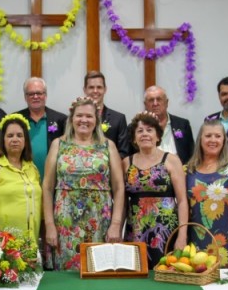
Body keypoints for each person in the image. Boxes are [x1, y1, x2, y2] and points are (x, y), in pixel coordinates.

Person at [43, 97, 125, 271]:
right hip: (65, 223)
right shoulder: (59, 144)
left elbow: (118, 188)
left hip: (99, 222)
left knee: (98, 271)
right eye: (79, 115)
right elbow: (48, 188)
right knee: (67, 276)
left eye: (89, 116)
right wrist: (50, 225)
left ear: (96, 120)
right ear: (71, 118)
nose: (84, 120)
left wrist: (116, 224)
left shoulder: (107, 146)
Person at [123, 111, 188, 268]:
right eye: (140, 131)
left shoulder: (171, 160)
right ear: (134, 138)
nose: (145, 134)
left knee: (165, 271)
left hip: (165, 230)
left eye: (149, 130)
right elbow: (123, 202)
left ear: (158, 136)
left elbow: (182, 201)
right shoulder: (126, 162)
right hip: (136, 230)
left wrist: (182, 235)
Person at [186, 119, 228, 264]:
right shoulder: (188, 170)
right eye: (208, 136)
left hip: (227, 244)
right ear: (200, 139)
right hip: (195, 244)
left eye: (217, 136)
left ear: (224, 140)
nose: (213, 140)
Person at [0, 113, 42, 243]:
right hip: (4, 245)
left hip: (31, 242)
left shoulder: (32, 168)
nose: (15, 139)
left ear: (25, 140)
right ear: (3, 140)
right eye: (10, 136)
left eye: (19, 135)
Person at [15, 77, 67, 180]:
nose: (35, 97)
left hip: (53, 179)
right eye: (31, 94)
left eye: (39, 93)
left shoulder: (61, 120)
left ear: (45, 95)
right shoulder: (16, 119)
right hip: (21, 179)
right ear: (25, 97)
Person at [83, 71, 130, 158]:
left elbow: (123, 152)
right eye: (91, 87)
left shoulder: (119, 119)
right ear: (85, 90)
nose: (95, 91)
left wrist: (102, 164)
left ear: (105, 89)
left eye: (99, 87)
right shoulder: (76, 120)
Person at [142, 85, 194, 164]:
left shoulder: (183, 125)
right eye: (151, 100)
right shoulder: (137, 128)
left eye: (159, 99)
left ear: (166, 103)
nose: (155, 103)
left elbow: (191, 154)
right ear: (145, 104)